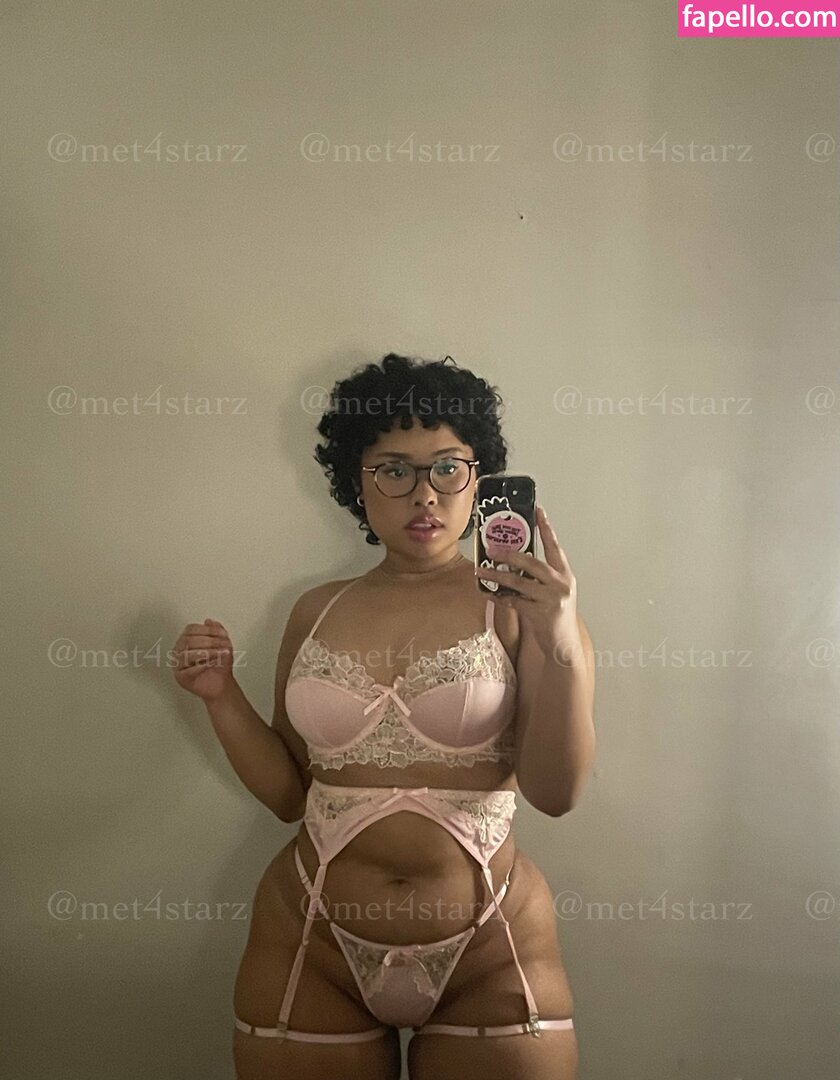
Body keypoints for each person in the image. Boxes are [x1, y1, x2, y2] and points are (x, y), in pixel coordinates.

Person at [173, 353, 596, 1080]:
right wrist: (220, 696)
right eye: (394, 470)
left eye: (448, 468)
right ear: (356, 482)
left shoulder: (525, 610)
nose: (424, 494)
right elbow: (288, 795)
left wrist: (557, 633)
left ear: (480, 479)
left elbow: (556, 795)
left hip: (491, 949)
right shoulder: (316, 609)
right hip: (309, 943)